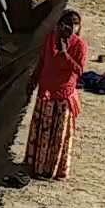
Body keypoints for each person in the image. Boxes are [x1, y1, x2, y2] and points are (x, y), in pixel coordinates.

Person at [25, 10, 87, 180]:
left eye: (74, 24)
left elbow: (79, 69)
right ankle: (37, 166)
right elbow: (43, 61)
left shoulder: (79, 45)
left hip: (62, 96)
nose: (70, 27)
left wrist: (64, 53)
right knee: (42, 132)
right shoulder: (50, 38)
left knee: (57, 136)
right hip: (46, 92)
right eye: (66, 23)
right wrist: (33, 80)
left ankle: (51, 169)